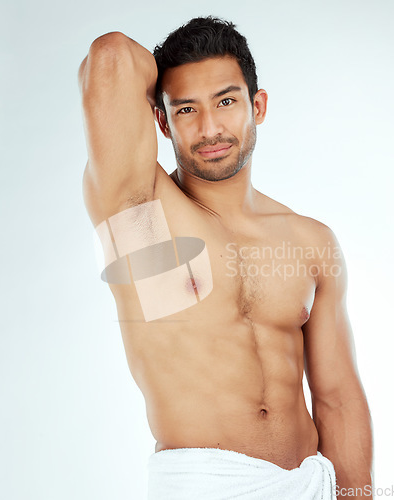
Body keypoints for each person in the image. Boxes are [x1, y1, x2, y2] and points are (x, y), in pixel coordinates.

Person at [78, 16, 373, 499]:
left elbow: (338, 400)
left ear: (257, 106)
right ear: (160, 119)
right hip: (203, 486)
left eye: (227, 101)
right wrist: (171, 74)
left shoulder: (311, 241)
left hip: (309, 484)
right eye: (187, 109)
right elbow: (111, 57)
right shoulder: (141, 215)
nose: (210, 127)